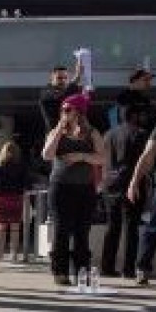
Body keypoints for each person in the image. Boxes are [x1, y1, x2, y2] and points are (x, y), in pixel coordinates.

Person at [42, 93, 105, 286]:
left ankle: (81, 271)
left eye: (68, 109)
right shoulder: (56, 131)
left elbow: (102, 158)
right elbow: (47, 155)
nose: (64, 112)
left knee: (82, 231)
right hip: (60, 187)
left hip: (85, 188)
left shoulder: (92, 132)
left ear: (78, 111)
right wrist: (58, 131)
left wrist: (81, 156)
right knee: (61, 229)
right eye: (62, 109)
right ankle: (60, 271)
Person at [100, 105, 149, 278]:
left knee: (112, 227)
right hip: (131, 185)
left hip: (110, 184)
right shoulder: (140, 134)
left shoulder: (108, 134)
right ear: (134, 116)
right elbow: (144, 160)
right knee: (131, 228)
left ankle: (107, 267)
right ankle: (128, 269)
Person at [127, 110, 156, 286]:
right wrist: (134, 182)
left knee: (153, 227)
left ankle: (142, 269)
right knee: (153, 227)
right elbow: (147, 156)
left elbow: (147, 156)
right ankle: (142, 269)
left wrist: (134, 182)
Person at [0, 141, 30, 261]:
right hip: (16, 198)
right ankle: (13, 254)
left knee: (1, 227)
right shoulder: (21, 165)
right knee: (15, 228)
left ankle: (0, 254)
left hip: (2, 198)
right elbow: (26, 182)